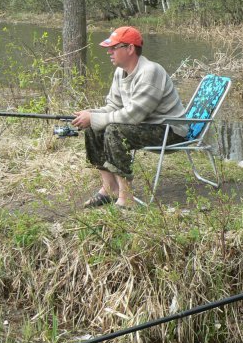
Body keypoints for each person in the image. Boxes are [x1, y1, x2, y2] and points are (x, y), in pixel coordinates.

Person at [72, 26, 188, 209]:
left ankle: (126, 198)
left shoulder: (151, 71)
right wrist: (91, 115)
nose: (109, 52)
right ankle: (109, 189)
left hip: (170, 130)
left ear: (130, 48)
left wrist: (95, 118)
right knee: (93, 127)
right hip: (145, 126)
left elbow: (134, 115)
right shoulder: (120, 72)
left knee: (114, 130)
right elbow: (113, 106)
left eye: (113, 47)